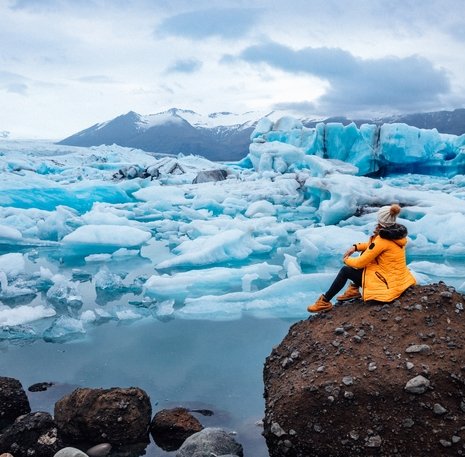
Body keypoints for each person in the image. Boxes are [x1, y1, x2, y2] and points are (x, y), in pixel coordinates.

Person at [308, 203, 416, 313]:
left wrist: (346, 259)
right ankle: (354, 289)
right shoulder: (395, 235)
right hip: (395, 279)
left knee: (345, 271)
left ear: (380, 220)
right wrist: (356, 247)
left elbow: (360, 263)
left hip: (386, 285)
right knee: (365, 252)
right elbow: (373, 247)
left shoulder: (382, 240)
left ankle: (324, 302)